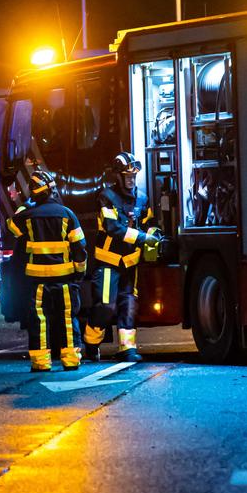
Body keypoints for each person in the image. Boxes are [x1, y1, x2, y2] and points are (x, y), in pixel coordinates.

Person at [82, 152, 163, 362]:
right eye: (127, 176)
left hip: (130, 262)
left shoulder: (142, 198)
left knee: (128, 304)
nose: (131, 180)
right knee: (106, 306)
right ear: (117, 176)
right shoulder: (106, 197)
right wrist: (142, 237)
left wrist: (154, 234)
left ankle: (127, 348)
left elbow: (148, 223)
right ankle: (91, 344)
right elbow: (112, 227)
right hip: (108, 261)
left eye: (133, 176)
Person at [7, 169, 87, 372]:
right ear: (52, 191)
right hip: (65, 278)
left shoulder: (27, 216)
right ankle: (70, 360)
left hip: (37, 280)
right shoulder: (68, 214)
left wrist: (27, 204)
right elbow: (80, 248)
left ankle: (41, 362)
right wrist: (79, 272)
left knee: (39, 319)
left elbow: (11, 226)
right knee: (67, 318)